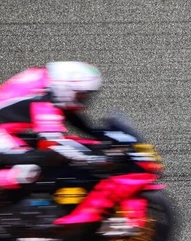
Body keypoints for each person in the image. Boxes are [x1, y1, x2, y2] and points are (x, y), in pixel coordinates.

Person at [0, 61, 110, 189]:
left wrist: (100, 136)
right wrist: (95, 158)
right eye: (80, 95)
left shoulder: (49, 82)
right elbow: (53, 143)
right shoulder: (43, 100)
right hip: (3, 133)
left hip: (7, 131)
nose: (83, 99)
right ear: (66, 88)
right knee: (29, 169)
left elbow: (71, 116)